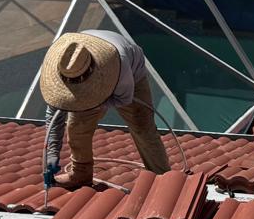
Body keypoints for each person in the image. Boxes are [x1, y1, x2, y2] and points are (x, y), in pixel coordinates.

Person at [40, 30, 169, 190]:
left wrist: (92, 102)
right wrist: (52, 153)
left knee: (142, 125)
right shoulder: (64, 65)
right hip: (92, 77)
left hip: (131, 75)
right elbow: (54, 116)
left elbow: (124, 99)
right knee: (77, 127)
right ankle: (81, 175)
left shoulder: (118, 62)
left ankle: (162, 177)